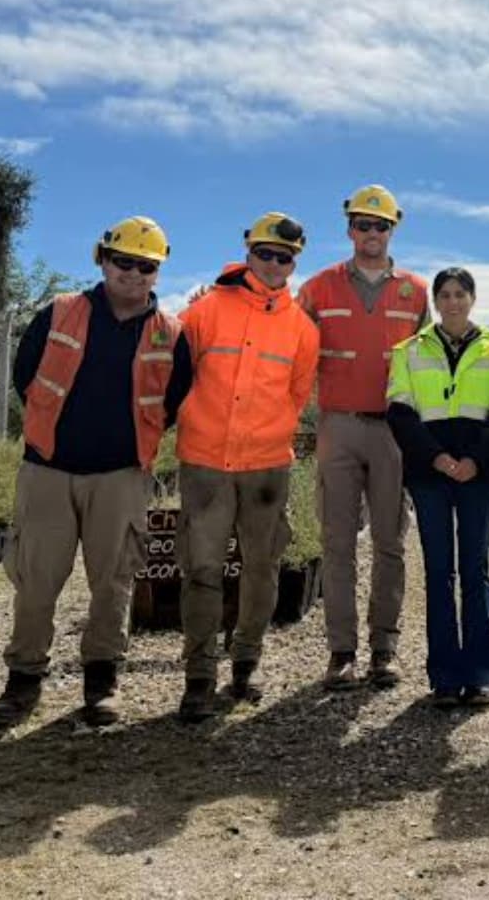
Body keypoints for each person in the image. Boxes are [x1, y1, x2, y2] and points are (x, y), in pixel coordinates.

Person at [0, 216, 191, 729]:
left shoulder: (170, 333)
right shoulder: (60, 312)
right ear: (103, 260)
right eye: (124, 261)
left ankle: (102, 683)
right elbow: (26, 377)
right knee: (36, 581)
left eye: (146, 266)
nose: (134, 273)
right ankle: (23, 681)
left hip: (121, 475)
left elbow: (174, 398)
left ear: (157, 273)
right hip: (48, 471)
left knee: (114, 582)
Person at [172, 213, 320, 722]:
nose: (274, 264)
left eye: (285, 258)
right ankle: (199, 676)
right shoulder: (204, 310)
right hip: (205, 463)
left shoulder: (302, 329)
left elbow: (297, 395)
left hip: (266, 468)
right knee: (202, 569)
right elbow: (176, 374)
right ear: (248, 252)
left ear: (295, 263)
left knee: (263, 568)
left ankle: (246, 663)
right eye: (265, 254)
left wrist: (266, 434)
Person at [297, 185, 430, 690]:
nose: (371, 232)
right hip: (338, 426)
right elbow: (288, 346)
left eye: (381, 225)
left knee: (390, 542)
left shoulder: (416, 291)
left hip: (394, 429)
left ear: (394, 229)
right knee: (337, 543)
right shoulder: (318, 288)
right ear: (349, 228)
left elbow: (429, 363)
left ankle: (384, 649)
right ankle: (341, 652)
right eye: (362, 224)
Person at [385, 268, 489, 709]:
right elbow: (401, 412)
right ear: (435, 301)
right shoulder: (408, 351)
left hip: (478, 475)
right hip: (430, 474)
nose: (453, 302)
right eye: (445, 294)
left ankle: (479, 675)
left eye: (461, 294)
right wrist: (439, 458)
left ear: (472, 298)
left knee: (476, 570)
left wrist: (475, 461)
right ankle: (444, 676)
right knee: (438, 572)